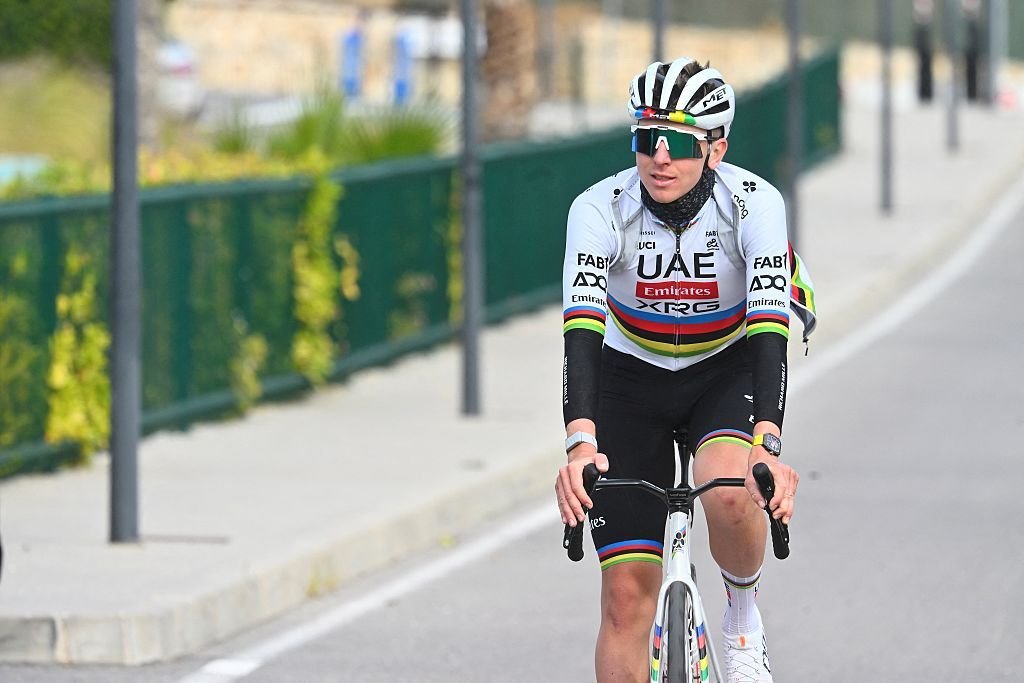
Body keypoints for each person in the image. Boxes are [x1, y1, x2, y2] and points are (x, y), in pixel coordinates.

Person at [555, 57, 816, 682]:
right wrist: (579, 443)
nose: (659, 158)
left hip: (725, 365)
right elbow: (582, 329)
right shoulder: (599, 208)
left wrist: (768, 443)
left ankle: (743, 620)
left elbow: (769, 328)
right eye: (647, 140)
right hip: (630, 374)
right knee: (624, 600)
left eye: (678, 143)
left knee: (730, 490)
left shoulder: (754, 204)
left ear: (716, 149)